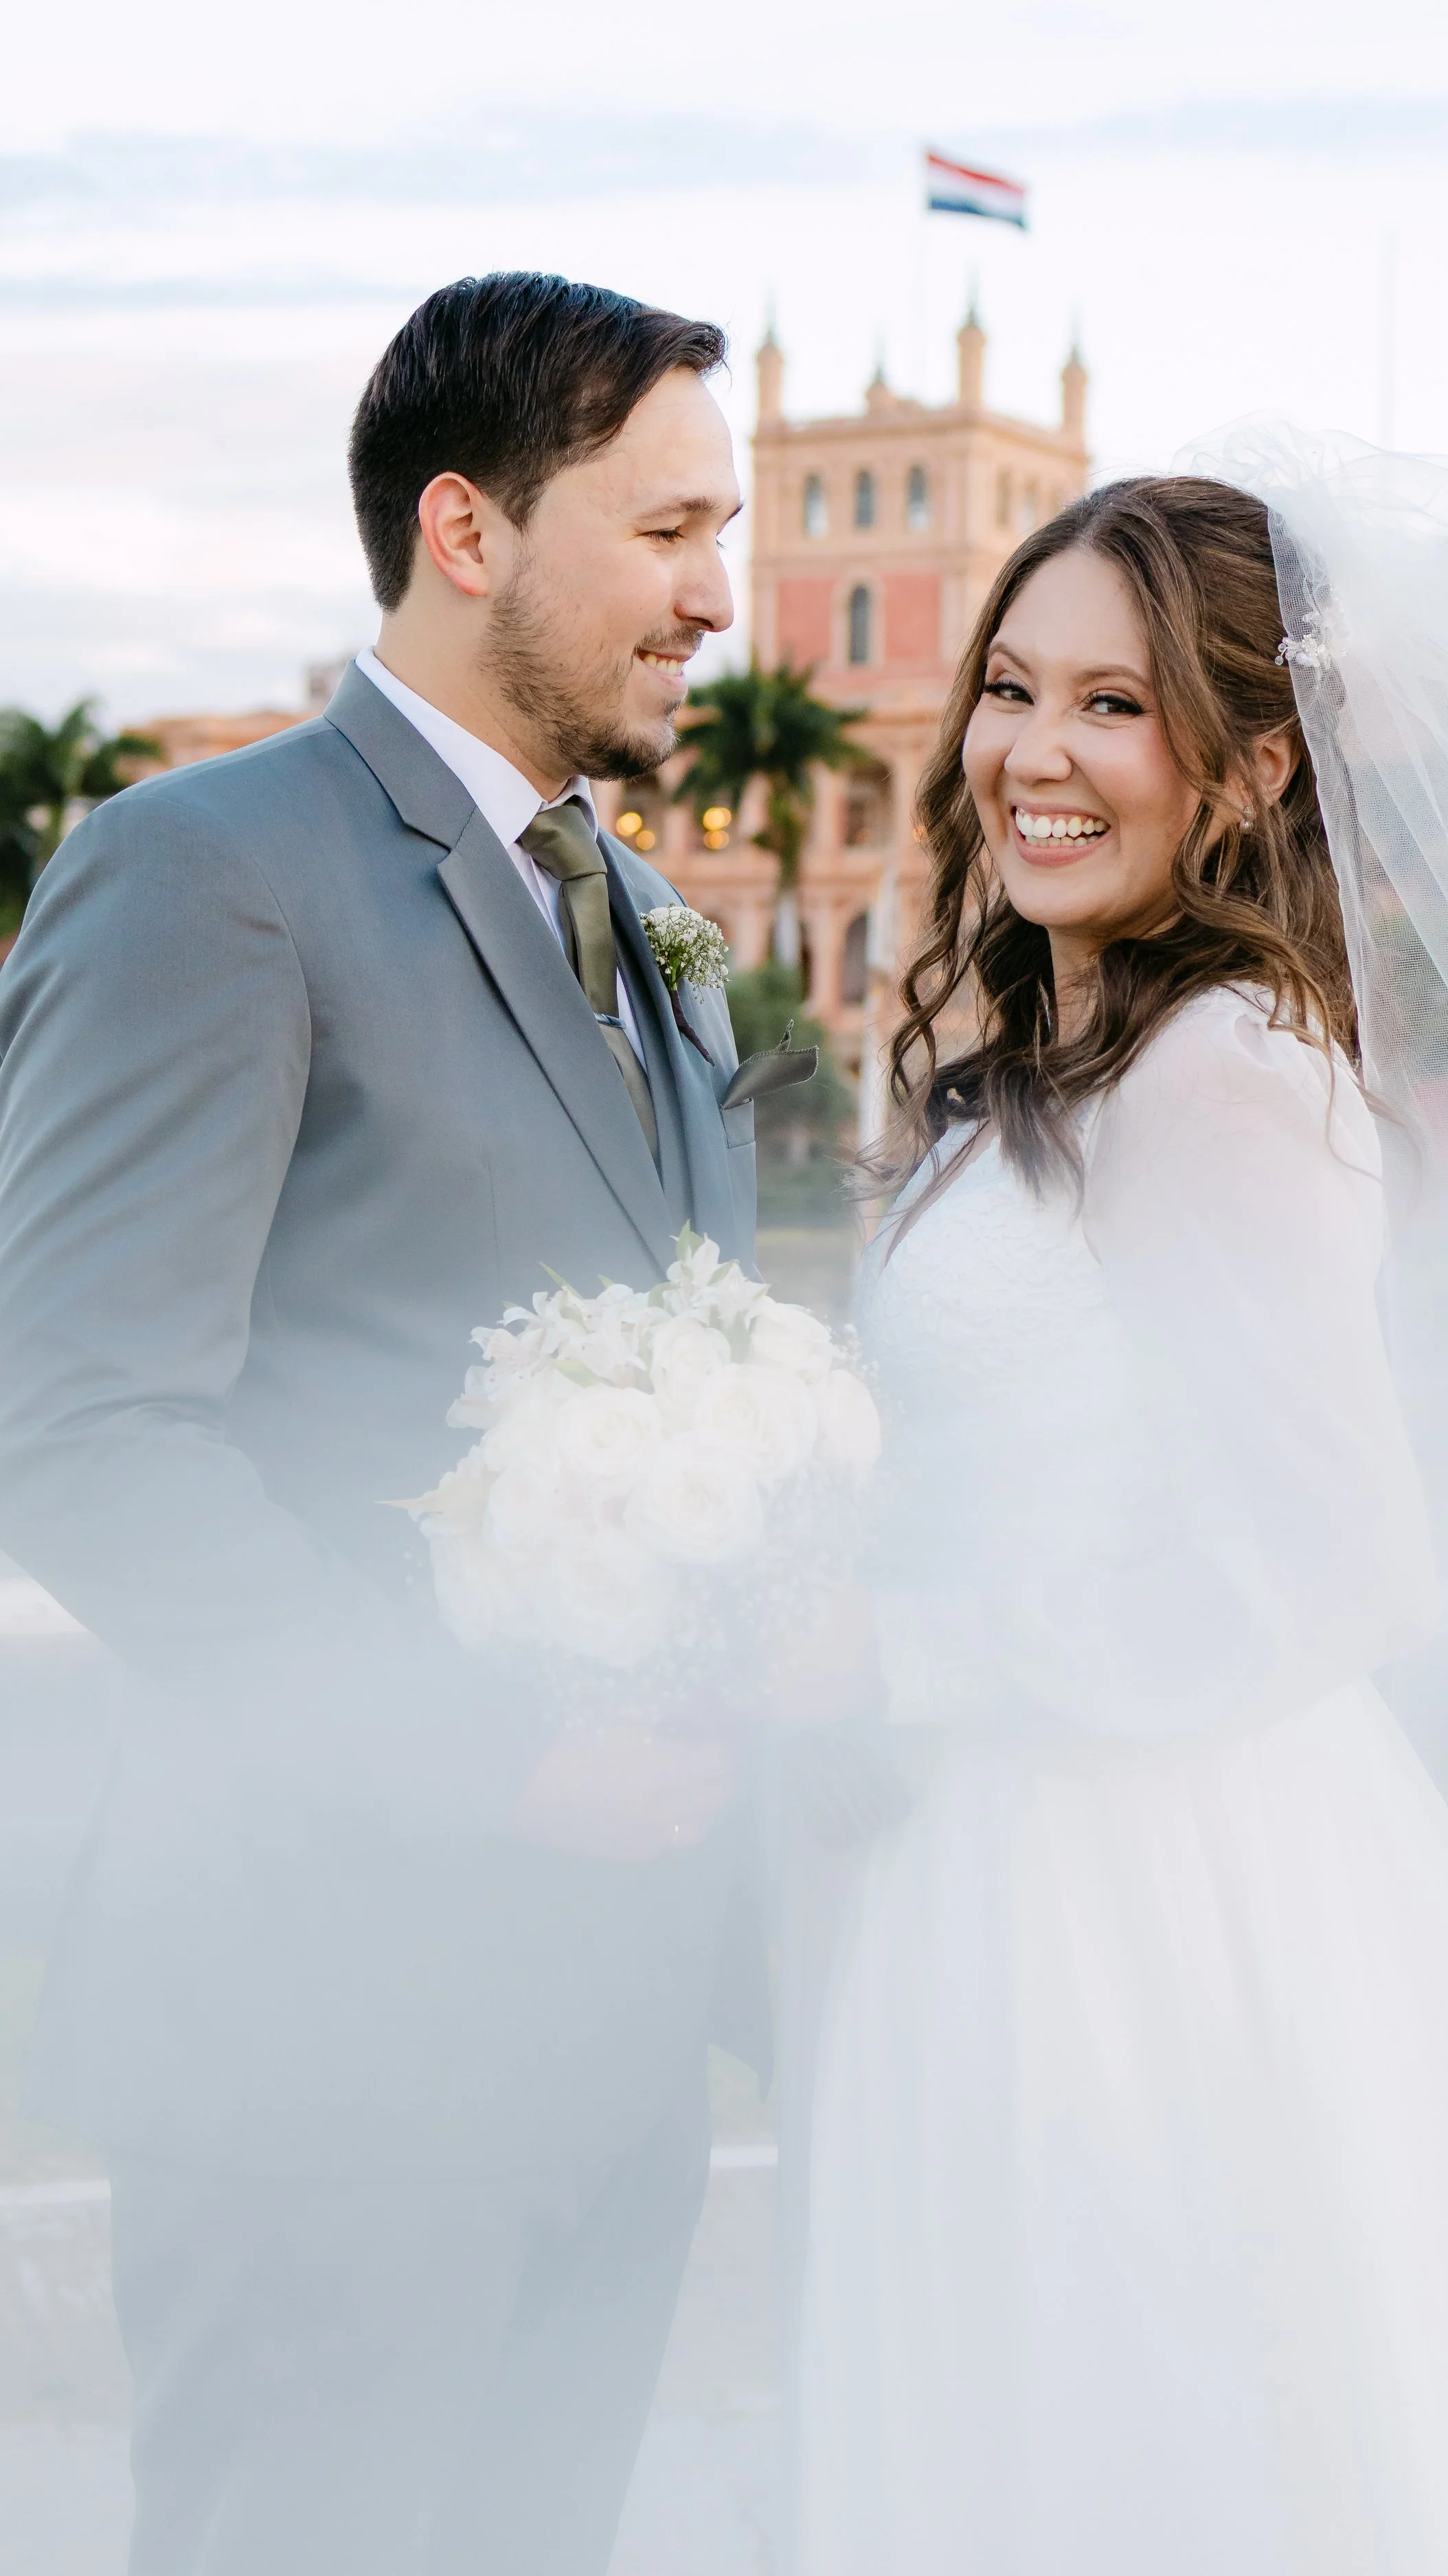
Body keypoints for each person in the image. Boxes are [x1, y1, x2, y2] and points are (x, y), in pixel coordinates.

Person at [787, 466, 1448, 2572]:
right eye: (1012, 686)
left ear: (1247, 769)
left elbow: (1333, 1565)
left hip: (1134, 1894)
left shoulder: (1225, 1069)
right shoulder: (1089, 1044)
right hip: (985, 1854)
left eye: (1113, 707)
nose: (1033, 750)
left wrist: (901, 1654)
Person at [0, 271, 778, 2576]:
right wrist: (495, 1751)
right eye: (663, 530)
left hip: (612, 2045)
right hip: (325, 2040)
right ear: (466, 525)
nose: (715, 594)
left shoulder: (646, 914)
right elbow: (84, 1421)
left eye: (721, 528)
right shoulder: (204, 869)